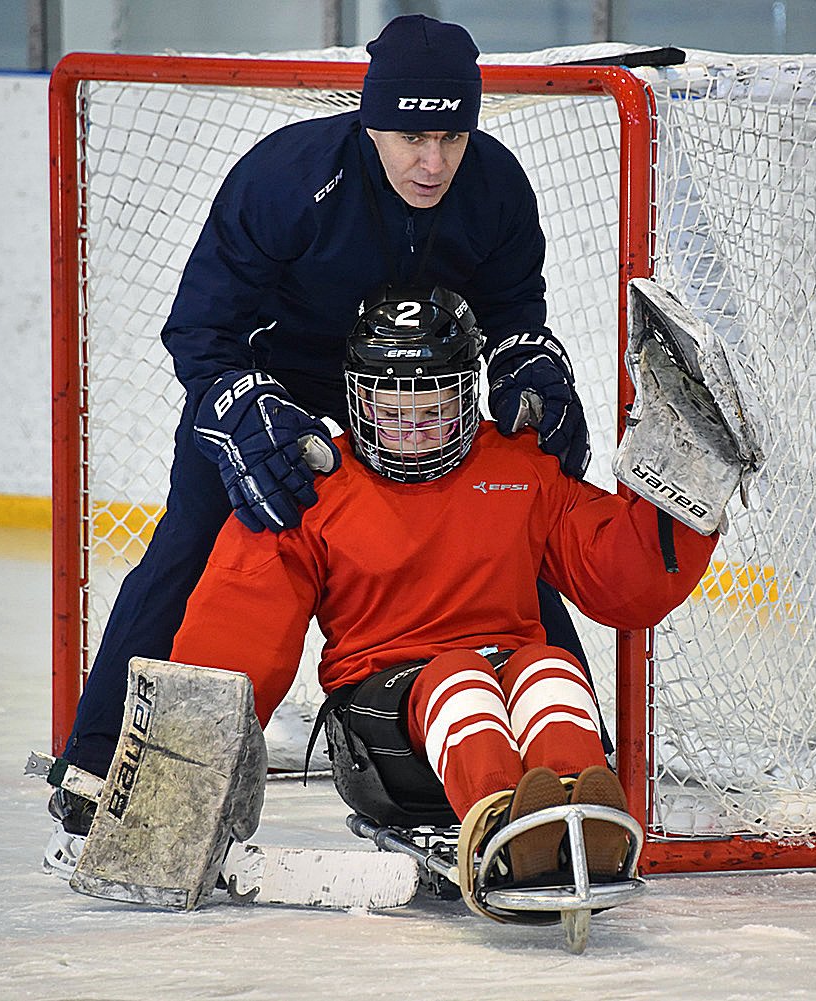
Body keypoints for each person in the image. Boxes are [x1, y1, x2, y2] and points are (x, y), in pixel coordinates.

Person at [54, 14, 595, 808]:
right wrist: (241, 412)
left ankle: (570, 759)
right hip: (280, 388)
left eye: (451, 137)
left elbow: (514, 307)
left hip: (416, 393)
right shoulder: (287, 178)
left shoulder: (497, 187)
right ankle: (100, 764)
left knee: (504, 532)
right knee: (192, 546)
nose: (432, 160)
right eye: (412, 137)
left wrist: (529, 366)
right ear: (371, 119)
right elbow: (201, 329)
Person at [165, 286, 717, 888]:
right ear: (355, 397)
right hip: (381, 734)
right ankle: (504, 825)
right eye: (390, 410)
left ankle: (576, 819)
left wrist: (686, 470)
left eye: (432, 410)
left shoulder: (515, 465)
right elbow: (237, 630)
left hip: (496, 676)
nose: (413, 430)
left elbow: (623, 576)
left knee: (549, 666)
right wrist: (188, 775)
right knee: (458, 677)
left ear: (467, 395)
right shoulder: (309, 488)